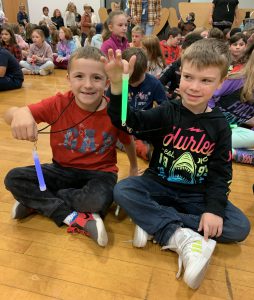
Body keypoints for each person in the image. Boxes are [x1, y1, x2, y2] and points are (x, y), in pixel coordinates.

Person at [104, 39, 250, 289]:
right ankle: (178, 234)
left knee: (239, 227)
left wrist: (213, 209)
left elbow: (220, 172)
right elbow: (128, 123)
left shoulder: (220, 126)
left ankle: (153, 223)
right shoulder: (166, 112)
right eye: (189, 77)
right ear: (180, 72)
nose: (194, 87)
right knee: (123, 190)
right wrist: (118, 86)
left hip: (197, 195)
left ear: (221, 83)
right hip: (158, 185)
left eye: (206, 81)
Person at [4, 46, 138, 247]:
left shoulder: (115, 110)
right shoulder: (58, 103)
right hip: (61, 170)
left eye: (96, 78)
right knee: (14, 178)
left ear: (107, 82)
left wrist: (134, 167)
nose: (87, 85)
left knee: (98, 200)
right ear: (68, 79)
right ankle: (72, 216)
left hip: (101, 174)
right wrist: (19, 113)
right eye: (79, 76)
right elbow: (8, 113)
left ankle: (39, 202)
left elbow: (128, 140)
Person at [107, 47, 167, 161]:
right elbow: (110, 107)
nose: (132, 84)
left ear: (146, 69)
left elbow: (165, 107)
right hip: (122, 125)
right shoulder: (119, 82)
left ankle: (139, 145)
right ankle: (140, 148)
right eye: (129, 81)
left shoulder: (154, 83)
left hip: (141, 125)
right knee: (112, 134)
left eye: (136, 81)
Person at [210, 43, 254, 165]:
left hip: (231, 130)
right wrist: (214, 118)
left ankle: (231, 153)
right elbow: (209, 95)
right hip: (211, 126)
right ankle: (226, 151)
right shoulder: (237, 80)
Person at [159, 32, 203, 100]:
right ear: (181, 51)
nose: (188, 58)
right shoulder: (174, 66)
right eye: (185, 53)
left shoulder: (203, 69)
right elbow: (159, 83)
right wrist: (173, 95)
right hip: (175, 102)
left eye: (193, 55)